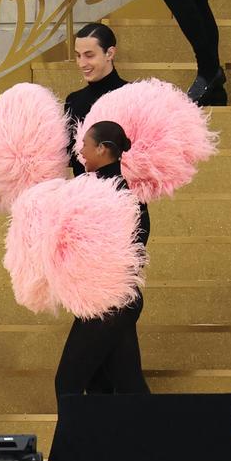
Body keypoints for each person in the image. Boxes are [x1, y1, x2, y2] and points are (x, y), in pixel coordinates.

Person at [53, 120, 152, 400]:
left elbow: (131, 249)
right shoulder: (95, 188)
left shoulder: (119, 195)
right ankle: (146, 442)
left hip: (111, 303)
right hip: (111, 302)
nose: (80, 150)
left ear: (103, 149)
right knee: (121, 385)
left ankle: (73, 445)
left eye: (86, 144)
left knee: (68, 384)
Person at [64, 23, 127, 176]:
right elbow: (70, 157)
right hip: (84, 196)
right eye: (78, 55)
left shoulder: (134, 95)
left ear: (110, 53)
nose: (82, 63)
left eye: (89, 55)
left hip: (125, 196)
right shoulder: (74, 101)